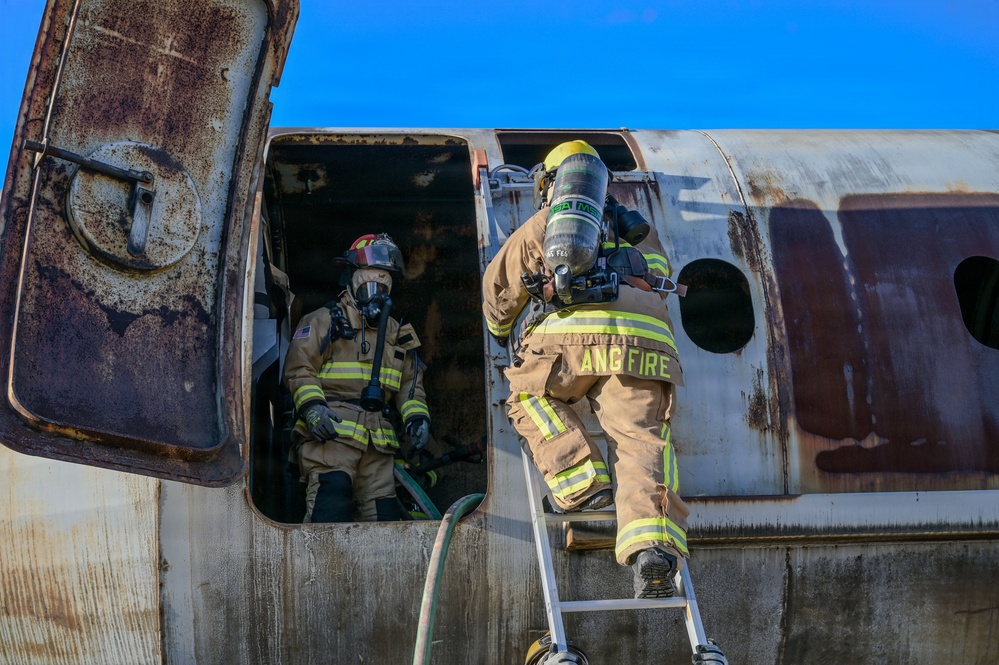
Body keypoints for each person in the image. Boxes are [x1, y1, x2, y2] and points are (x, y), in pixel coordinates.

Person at [482, 140, 690, 598]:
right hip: (645, 343)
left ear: (551, 181)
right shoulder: (638, 230)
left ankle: (582, 486)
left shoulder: (549, 223)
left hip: (570, 340)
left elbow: (499, 297)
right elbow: (657, 278)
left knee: (528, 396)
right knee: (641, 439)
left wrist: (503, 326)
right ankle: (652, 549)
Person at [284, 233, 431, 523]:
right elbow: (299, 369)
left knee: (384, 519)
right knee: (331, 505)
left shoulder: (397, 334)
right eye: (371, 285)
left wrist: (418, 420)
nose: (377, 294)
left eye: (383, 286)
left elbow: (411, 387)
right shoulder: (324, 321)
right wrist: (313, 409)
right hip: (331, 437)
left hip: (378, 445)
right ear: (352, 281)